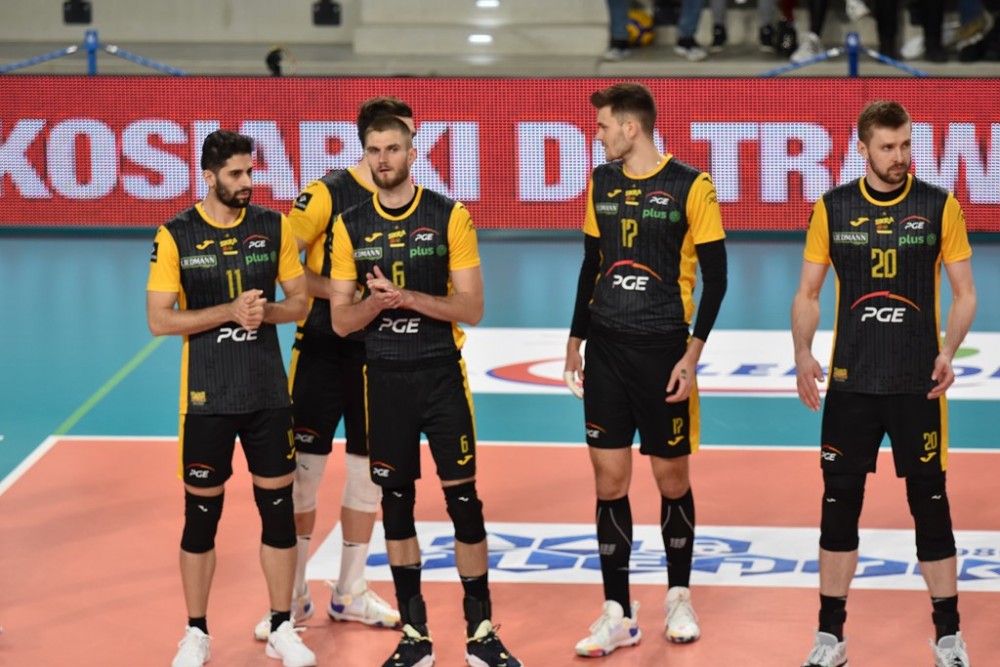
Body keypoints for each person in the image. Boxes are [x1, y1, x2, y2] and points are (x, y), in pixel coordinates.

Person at [329, 115, 522, 667]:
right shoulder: (350, 225)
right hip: (385, 380)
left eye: (393, 148)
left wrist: (407, 297)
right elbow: (341, 322)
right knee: (396, 505)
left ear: (413, 153)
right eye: (374, 150)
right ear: (365, 155)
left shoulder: (448, 215)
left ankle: (480, 632)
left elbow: (472, 307)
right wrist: (375, 303)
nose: (383, 159)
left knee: (464, 503)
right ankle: (415, 635)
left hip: (440, 376)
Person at [791, 100, 977, 667]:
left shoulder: (939, 205)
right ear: (863, 148)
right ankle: (830, 637)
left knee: (932, 508)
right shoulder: (833, 208)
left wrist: (948, 351)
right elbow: (808, 293)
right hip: (851, 385)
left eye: (906, 145)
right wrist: (802, 351)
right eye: (888, 147)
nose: (900, 157)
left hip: (918, 386)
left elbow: (965, 293)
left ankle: (949, 638)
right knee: (838, 509)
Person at [564, 82, 728, 658]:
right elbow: (591, 265)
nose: (598, 135)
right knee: (609, 482)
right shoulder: (601, 182)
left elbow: (717, 279)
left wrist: (692, 354)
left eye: (603, 125)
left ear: (630, 128)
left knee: (671, 481)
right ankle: (617, 612)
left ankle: (679, 596)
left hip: (663, 352)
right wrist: (575, 339)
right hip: (606, 351)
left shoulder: (692, 186)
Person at [147, 130, 317, 667]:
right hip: (206, 399)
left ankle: (282, 625)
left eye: (250, 172)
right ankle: (196, 632)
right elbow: (159, 319)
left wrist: (265, 313)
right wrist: (229, 311)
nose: (247, 182)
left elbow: (300, 303)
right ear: (209, 176)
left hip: (267, 395)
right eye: (236, 174)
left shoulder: (273, 226)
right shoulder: (176, 235)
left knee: (278, 515)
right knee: (201, 519)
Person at [251, 97, 409, 642]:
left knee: (367, 476)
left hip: (380, 355)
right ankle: (293, 597)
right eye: (391, 139)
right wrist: (341, 293)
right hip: (320, 350)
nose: (399, 151)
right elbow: (282, 259)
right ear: (369, 141)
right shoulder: (326, 193)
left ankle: (350, 591)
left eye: (404, 140)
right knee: (303, 477)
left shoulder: (410, 201)